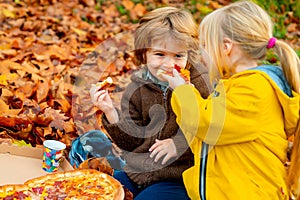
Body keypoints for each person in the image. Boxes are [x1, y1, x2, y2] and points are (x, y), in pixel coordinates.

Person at [163, 1, 300, 200]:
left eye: (204, 46)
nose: (201, 55)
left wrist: (183, 92)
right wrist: (189, 95)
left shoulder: (254, 89)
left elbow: (207, 126)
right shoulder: (235, 87)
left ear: (226, 47)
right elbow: (205, 141)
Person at [89, 6, 211, 200]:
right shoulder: (138, 87)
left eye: (178, 55)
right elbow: (132, 142)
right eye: (160, 54)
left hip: (181, 177)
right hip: (140, 172)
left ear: (189, 55)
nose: (169, 64)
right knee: (101, 190)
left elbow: (210, 127)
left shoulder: (198, 83)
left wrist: (178, 144)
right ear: (144, 53)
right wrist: (110, 111)